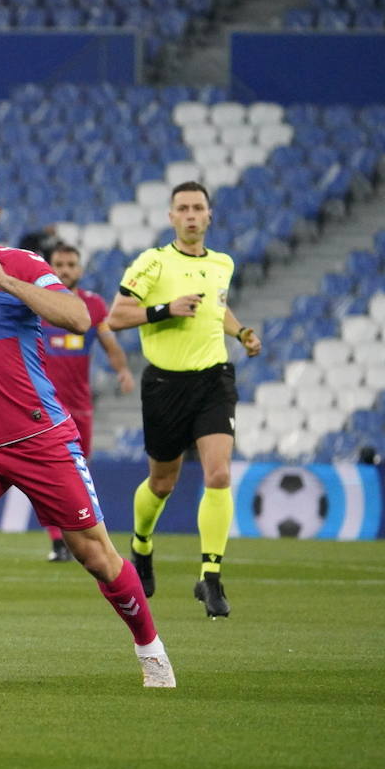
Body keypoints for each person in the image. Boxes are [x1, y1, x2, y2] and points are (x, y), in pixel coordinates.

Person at [0, 167, 175, 688]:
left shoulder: (20, 263)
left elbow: (77, 318)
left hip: (37, 436)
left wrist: (5, 281)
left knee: (95, 553)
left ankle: (151, 649)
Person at [106, 180, 261, 620]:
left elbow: (216, 307)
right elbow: (115, 317)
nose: (191, 215)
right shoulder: (152, 263)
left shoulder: (222, 264)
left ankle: (210, 577)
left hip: (214, 380)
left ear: (209, 216)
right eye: (183, 209)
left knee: (218, 474)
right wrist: (164, 309)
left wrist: (242, 331)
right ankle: (141, 544)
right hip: (164, 386)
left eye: (198, 208)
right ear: (171, 217)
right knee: (163, 483)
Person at [38, 243, 135, 562]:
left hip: (80, 407)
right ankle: (58, 540)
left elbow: (109, 342)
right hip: (44, 406)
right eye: (59, 264)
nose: (64, 270)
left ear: (80, 269)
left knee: (80, 474)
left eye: (70, 264)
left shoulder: (93, 306)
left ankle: (79, 535)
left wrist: (122, 370)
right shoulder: (39, 302)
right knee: (46, 475)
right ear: (50, 267)